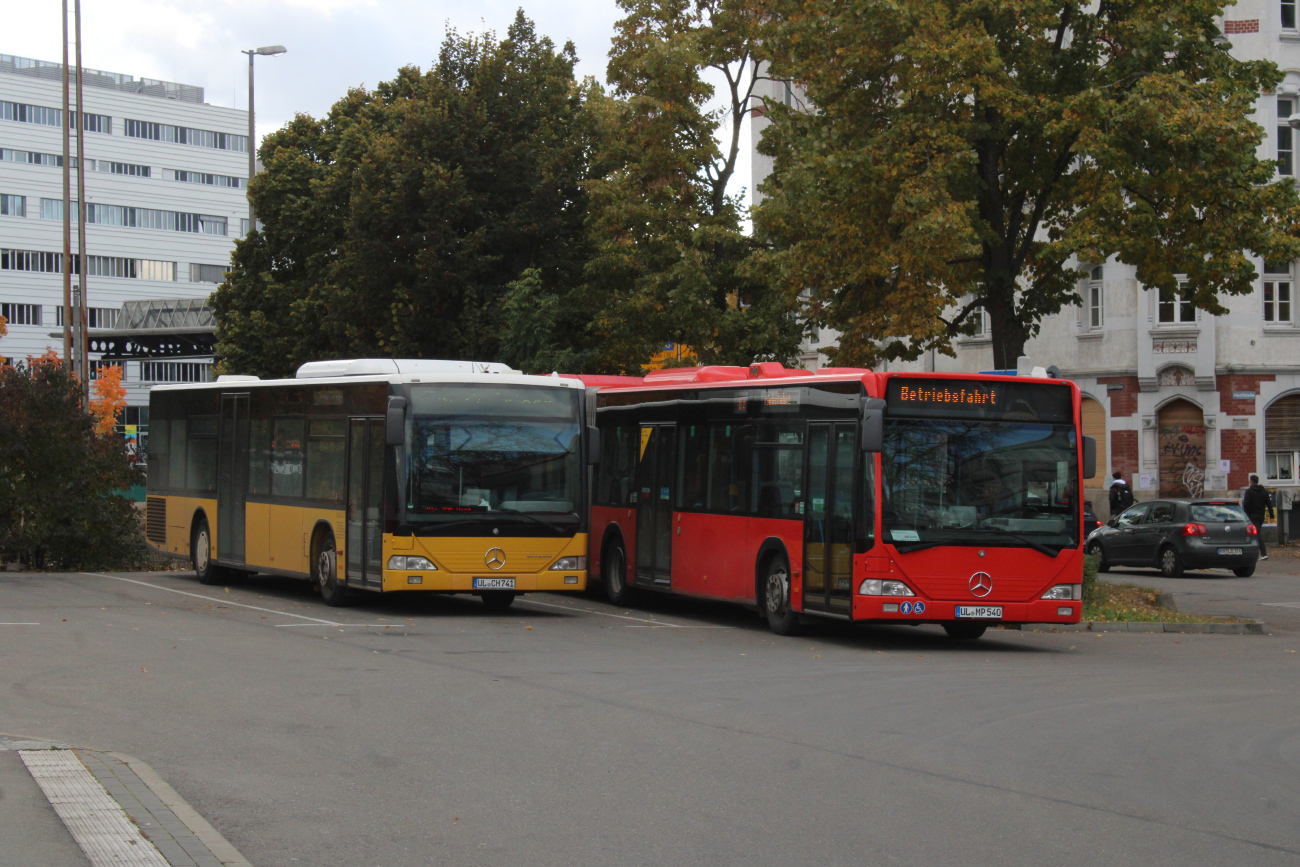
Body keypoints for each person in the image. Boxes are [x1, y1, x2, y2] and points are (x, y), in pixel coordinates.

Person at [1242, 474, 1274, 560]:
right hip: (1261, 516)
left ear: (1251, 481)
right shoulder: (1264, 491)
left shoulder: (1249, 491)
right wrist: (1271, 516)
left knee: (1257, 534)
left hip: (1252, 515)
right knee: (1255, 533)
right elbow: (1269, 504)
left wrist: (1245, 515)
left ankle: (1263, 553)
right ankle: (1255, 552)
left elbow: (1246, 504)